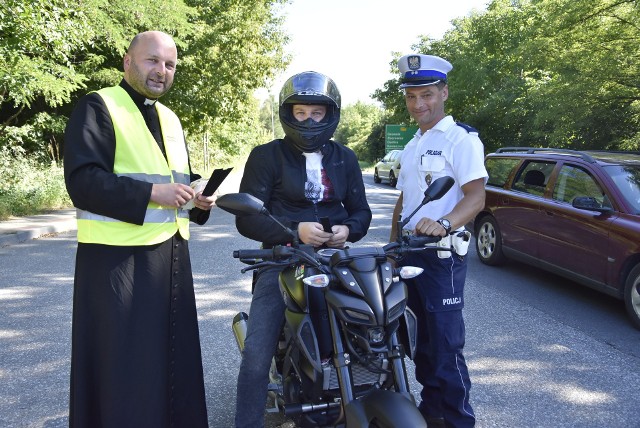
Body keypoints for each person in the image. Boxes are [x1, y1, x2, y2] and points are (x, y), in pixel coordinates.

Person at [64, 31, 215, 428]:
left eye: (169, 65)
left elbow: (174, 180)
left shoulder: (170, 117)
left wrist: (197, 198)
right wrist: (152, 193)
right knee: (124, 370)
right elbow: (82, 183)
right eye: (152, 61)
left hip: (170, 262)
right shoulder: (98, 106)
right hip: (118, 265)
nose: (161, 71)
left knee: (171, 363)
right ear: (127, 61)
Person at [233, 71, 372, 428]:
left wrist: (347, 229)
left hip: (336, 258)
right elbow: (247, 219)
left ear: (330, 114)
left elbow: (362, 212)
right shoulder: (266, 156)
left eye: (316, 113)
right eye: (300, 113)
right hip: (281, 259)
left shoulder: (346, 157)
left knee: (376, 326)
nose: (308, 120)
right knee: (256, 355)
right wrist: (294, 232)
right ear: (287, 114)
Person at [389, 54, 488, 428]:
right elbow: (405, 200)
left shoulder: (461, 139)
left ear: (444, 93)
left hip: (442, 256)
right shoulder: (414, 143)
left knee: (446, 346)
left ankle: (460, 421)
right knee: (420, 344)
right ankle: (433, 414)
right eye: (412, 96)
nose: (419, 104)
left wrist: (445, 223)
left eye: (427, 94)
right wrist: (392, 247)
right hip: (409, 254)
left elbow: (476, 197)